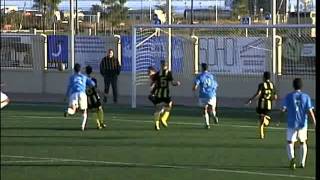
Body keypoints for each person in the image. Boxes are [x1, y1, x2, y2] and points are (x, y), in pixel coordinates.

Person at [282, 78, 316, 169]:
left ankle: (292, 159)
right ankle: (302, 162)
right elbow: (310, 111)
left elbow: (283, 109)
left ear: (293, 86)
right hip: (302, 124)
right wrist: (314, 122)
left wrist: (280, 116)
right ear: (301, 86)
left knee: (290, 142)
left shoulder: (288, 96)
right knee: (302, 142)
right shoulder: (306, 97)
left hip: (291, 123)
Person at [148, 61, 180, 131]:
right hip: (166, 94)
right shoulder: (168, 73)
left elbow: (153, 82)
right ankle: (163, 119)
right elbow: (172, 83)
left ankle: (157, 125)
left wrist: (152, 89)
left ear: (161, 65)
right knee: (169, 105)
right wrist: (177, 83)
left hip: (158, 94)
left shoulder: (158, 73)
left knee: (158, 109)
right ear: (166, 66)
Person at [64, 63, 95, 131]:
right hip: (82, 94)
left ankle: (68, 111)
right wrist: (89, 83)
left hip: (74, 94)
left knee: (73, 109)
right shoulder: (84, 77)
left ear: (74, 70)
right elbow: (93, 84)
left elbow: (69, 87)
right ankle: (82, 126)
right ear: (80, 70)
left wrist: (66, 96)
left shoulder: (72, 77)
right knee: (84, 111)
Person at [247, 71, 277, 139]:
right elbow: (275, 97)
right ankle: (261, 134)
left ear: (263, 77)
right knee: (262, 119)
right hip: (268, 106)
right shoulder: (272, 85)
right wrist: (270, 99)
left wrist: (251, 99)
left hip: (261, 105)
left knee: (261, 118)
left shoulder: (262, 84)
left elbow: (258, 94)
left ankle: (264, 123)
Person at [192, 63, 219, 129]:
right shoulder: (211, 76)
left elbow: (196, 84)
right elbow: (216, 85)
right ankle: (214, 116)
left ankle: (207, 124)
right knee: (212, 109)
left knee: (204, 109)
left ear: (202, 68)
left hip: (203, 95)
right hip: (211, 95)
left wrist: (194, 88)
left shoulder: (200, 76)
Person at [85, 65, 106, 130]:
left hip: (88, 98)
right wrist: (103, 94)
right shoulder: (93, 79)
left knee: (93, 111)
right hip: (95, 97)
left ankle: (98, 124)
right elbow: (96, 88)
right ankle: (101, 122)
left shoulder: (84, 79)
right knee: (100, 109)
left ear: (86, 71)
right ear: (91, 71)